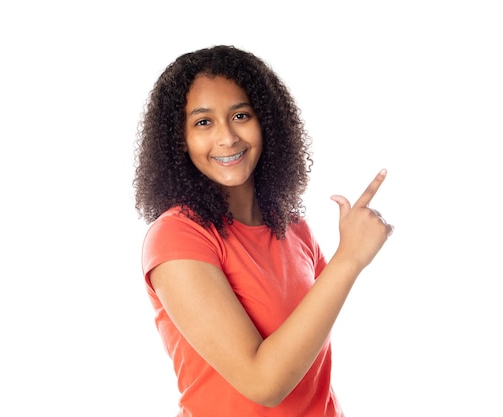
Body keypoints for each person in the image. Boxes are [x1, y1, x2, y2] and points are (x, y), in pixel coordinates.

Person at [133, 44, 393, 416]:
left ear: (266, 121)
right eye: (203, 122)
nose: (227, 138)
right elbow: (263, 383)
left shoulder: (294, 228)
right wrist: (349, 259)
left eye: (240, 115)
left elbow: (308, 363)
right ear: (180, 140)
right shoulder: (177, 236)